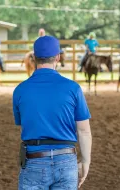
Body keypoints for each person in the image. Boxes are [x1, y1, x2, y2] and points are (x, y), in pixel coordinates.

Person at [13, 35, 92, 189]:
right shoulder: (73, 88)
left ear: (35, 58)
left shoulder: (20, 90)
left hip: (34, 160)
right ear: (57, 57)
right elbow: (84, 131)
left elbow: (23, 124)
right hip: (66, 160)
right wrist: (85, 161)